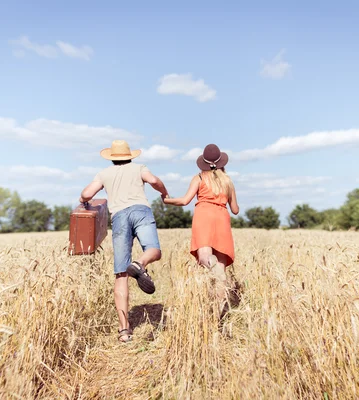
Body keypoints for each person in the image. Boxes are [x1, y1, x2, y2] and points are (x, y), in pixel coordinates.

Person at [79, 139, 169, 343]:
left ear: (112, 158)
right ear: (130, 156)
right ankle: (140, 263)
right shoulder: (139, 168)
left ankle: (124, 331)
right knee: (154, 250)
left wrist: (83, 200)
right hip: (141, 211)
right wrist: (163, 192)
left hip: (119, 217)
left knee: (121, 274)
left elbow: (87, 194)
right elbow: (154, 181)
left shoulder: (104, 174)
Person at [163, 143, 239, 304]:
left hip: (203, 215)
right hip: (222, 217)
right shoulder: (228, 181)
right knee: (221, 266)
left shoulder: (199, 178)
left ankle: (212, 270)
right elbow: (235, 210)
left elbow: (184, 201)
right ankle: (216, 315)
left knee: (204, 256)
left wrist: (167, 200)